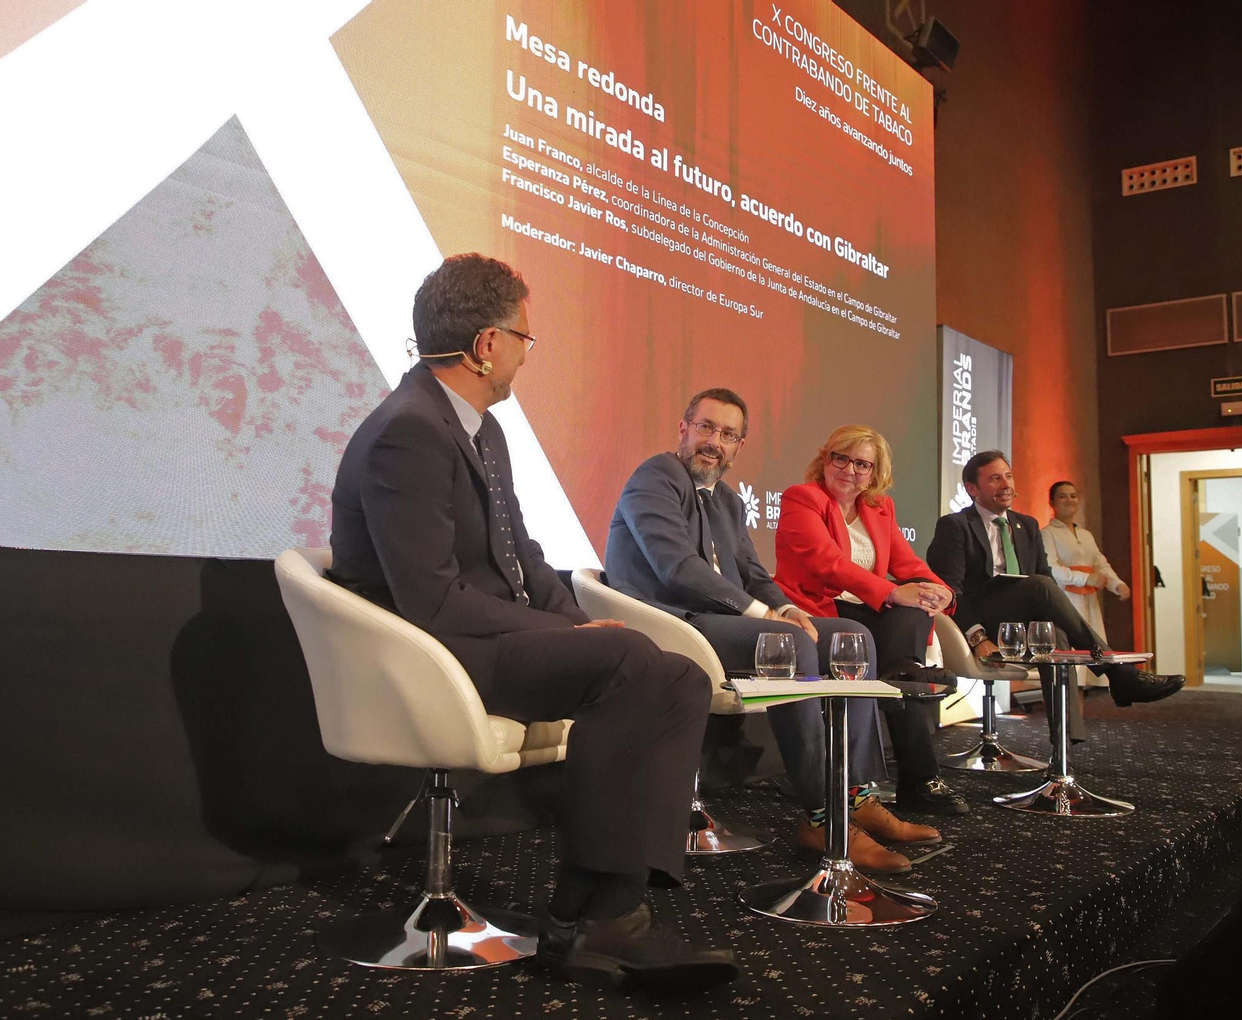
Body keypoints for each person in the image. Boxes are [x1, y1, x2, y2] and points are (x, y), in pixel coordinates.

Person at [328, 254, 738, 990]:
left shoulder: (479, 429)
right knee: (628, 666)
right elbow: (432, 601)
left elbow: (526, 561)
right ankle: (598, 920)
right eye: (525, 336)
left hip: (486, 640)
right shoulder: (408, 431)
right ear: (488, 346)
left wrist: (580, 623)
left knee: (672, 674)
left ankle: (596, 906)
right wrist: (571, 639)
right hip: (438, 654)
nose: (526, 351)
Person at [605, 389, 941, 874]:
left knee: (853, 637)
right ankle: (822, 816)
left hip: (720, 622)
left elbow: (754, 571)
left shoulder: (727, 499)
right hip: (671, 621)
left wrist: (783, 605)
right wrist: (765, 615)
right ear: (683, 429)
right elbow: (675, 567)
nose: (714, 442)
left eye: (727, 434)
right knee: (787, 643)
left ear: (739, 445)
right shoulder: (656, 477)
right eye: (705, 428)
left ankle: (857, 795)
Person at [773, 425, 969, 815]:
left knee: (911, 623)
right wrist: (894, 591)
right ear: (825, 460)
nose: (849, 470)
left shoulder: (879, 509)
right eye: (840, 458)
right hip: (818, 610)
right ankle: (920, 780)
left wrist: (941, 591)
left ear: (875, 473)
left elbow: (907, 563)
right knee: (898, 637)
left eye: (862, 464)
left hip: (866, 611)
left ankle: (904, 671)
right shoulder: (803, 498)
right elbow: (827, 564)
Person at [926, 451, 1183, 744]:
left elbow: (1042, 581)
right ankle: (1119, 674)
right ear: (972, 488)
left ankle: (1064, 749)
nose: (1006, 484)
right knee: (1040, 586)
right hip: (984, 621)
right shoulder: (955, 526)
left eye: (1008, 476)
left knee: (1056, 636)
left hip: (1023, 623)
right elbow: (949, 591)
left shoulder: (1027, 525)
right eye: (995, 478)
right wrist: (978, 636)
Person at [1041, 480, 1130, 689]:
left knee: (1092, 655)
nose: (1069, 500)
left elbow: (1100, 563)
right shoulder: (1048, 533)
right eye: (1062, 496)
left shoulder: (1085, 534)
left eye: (1073, 495)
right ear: (1052, 502)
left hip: (1089, 600)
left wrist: (1116, 584)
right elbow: (1051, 568)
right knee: (1071, 659)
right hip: (1066, 599)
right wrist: (1084, 579)